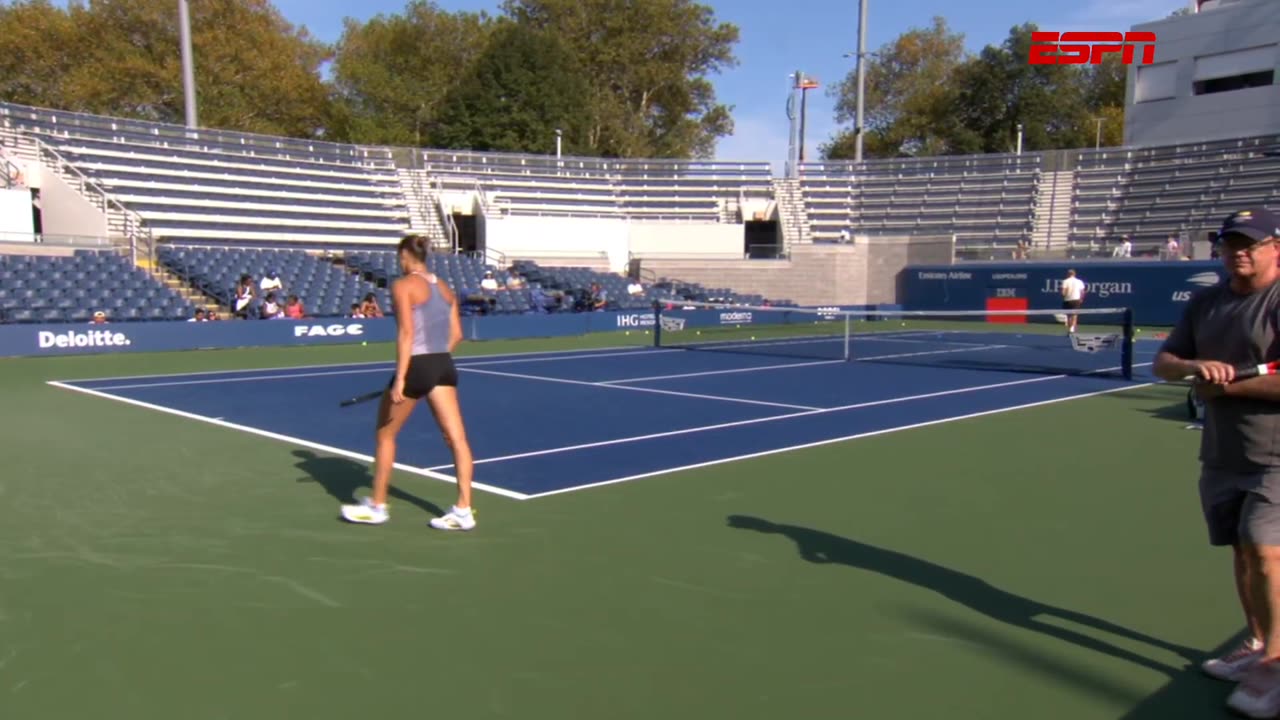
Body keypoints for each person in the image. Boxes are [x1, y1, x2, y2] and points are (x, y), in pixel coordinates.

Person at [1152, 207, 1280, 719]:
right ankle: (1255, 641)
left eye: (1249, 243)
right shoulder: (1206, 302)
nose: (1238, 251)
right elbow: (1165, 364)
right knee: (1242, 553)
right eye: (1230, 243)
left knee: (1266, 551)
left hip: (1276, 454)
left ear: (1277, 247)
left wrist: (1221, 385)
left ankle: (1274, 664)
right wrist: (1192, 366)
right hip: (1223, 452)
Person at [340, 235, 477, 531]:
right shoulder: (445, 288)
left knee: (385, 435)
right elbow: (456, 335)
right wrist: (434, 362)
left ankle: (378, 506)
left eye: (398, 257)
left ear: (405, 255)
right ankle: (464, 510)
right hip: (443, 364)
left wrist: (402, 378)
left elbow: (405, 334)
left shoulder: (402, 286)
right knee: (457, 439)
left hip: (417, 365)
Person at [1060, 269, 1085, 333]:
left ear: (1068, 274)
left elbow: (1063, 293)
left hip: (1067, 300)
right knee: (1075, 316)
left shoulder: (1065, 281)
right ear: (1074, 274)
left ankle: (1070, 330)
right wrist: (1081, 299)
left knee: (1068, 316)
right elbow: (1082, 292)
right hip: (1076, 300)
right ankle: (1072, 329)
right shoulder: (1079, 281)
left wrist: (1064, 296)